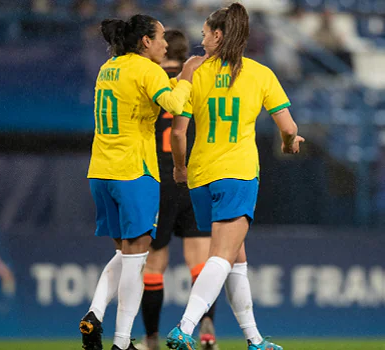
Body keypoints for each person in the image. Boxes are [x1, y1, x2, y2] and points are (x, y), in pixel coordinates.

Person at [165, 3, 304, 350]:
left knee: (236, 259)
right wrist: (289, 144)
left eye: (204, 34)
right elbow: (288, 127)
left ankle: (254, 340)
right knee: (223, 257)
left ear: (217, 35)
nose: (201, 40)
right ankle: (184, 328)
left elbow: (178, 133)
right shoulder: (260, 74)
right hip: (237, 174)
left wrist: (180, 168)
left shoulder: (193, 70)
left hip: (199, 176)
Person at [78, 14, 205, 350]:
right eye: (161, 37)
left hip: (101, 171)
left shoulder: (110, 66)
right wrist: (187, 74)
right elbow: (175, 104)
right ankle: (119, 341)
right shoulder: (147, 69)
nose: (166, 43)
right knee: (135, 263)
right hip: (134, 172)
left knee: (125, 256)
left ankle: (98, 319)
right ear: (145, 41)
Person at [139, 29, 218, 350]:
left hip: (159, 178)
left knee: (153, 264)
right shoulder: (200, 81)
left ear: (162, 49)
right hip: (196, 176)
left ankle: (152, 338)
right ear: (187, 53)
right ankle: (207, 330)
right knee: (200, 262)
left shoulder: (150, 80)